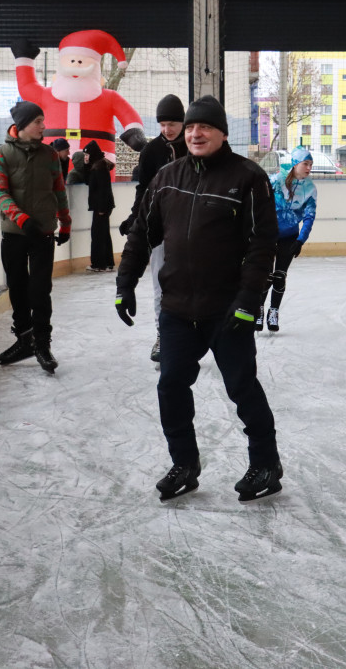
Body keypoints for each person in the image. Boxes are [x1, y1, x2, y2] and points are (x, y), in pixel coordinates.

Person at [115, 95, 282, 504]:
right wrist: (125, 283)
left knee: (242, 387)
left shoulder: (248, 177)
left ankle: (266, 463)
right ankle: (184, 463)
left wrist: (248, 301)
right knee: (171, 386)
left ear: (222, 133)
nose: (195, 132)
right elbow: (141, 234)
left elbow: (263, 245)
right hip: (177, 308)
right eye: (190, 127)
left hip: (226, 308)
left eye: (204, 127)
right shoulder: (168, 176)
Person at [0, 101, 71, 374]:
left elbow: (59, 190)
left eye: (42, 120)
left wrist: (66, 221)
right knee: (17, 287)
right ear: (23, 125)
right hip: (14, 233)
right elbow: (1, 194)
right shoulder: (1, 154)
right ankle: (25, 339)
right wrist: (22, 219)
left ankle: (42, 343)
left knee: (40, 290)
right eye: (38, 121)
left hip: (43, 233)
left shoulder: (49, 155)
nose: (43, 126)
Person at [117, 93, 187, 362]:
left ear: (182, 122)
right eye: (162, 124)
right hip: (159, 228)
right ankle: (164, 336)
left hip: (190, 228)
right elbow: (143, 190)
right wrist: (135, 218)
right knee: (160, 285)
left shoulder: (193, 145)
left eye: (172, 123)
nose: (167, 129)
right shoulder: (151, 151)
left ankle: (194, 335)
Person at [10, 30, 146, 161]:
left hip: (98, 158)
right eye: (71, 60)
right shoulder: (46, 96)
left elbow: (127, 114)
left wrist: (134, 132)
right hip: (53, 157)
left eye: (81, 61)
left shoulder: (110, 98)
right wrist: (24, 59)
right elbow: (27, 88)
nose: (75, 64)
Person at [257, 146, 317, 332]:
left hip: (289, 236)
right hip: (268, 234)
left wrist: (300, 240)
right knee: (266, 276)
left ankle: (273, 312)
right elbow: (259, 203)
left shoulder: (310, 189)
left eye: (311, 165)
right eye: (305, 164)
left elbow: (309, 216)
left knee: (280, 275)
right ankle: (259, 309)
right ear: (295, 164)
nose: (309, 168)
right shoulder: (276, 180)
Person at [85, 140, 115, 272]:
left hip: (101, 207)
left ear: (92, 154)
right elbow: (89, 181)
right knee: (103, 234)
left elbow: (103, 189)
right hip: (102, 206)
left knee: (97, 235)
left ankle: (99, 264)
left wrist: (102, 208)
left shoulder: (99, 168)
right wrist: (86, 165)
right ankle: (107, 262)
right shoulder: (97, 166)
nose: (85, 157)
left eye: (87, 155)